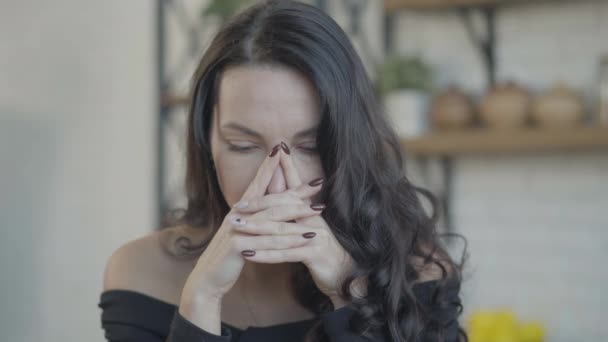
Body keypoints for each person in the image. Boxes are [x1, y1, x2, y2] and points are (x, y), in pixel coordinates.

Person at [98, 0, 468, 341]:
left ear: (348, 147)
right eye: (243, 146)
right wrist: (201, 300)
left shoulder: (419, 273)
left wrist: (348, 294)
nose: (276, 183)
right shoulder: (139, 275)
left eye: (310, 147)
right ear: (206, 142)